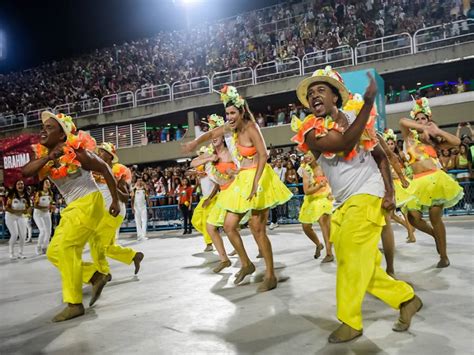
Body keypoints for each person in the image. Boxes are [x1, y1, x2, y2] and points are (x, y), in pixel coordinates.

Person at [292, 66, 421, 343]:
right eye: (311, 93)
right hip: (342, 202)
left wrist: (390, 191)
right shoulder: (309, 131)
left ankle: (350, 322)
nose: (314, 96)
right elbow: (344, 141)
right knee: (358, 262)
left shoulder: (355, 117)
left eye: (321, 90)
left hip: (367, 193)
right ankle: (406, 298)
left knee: (350, 259)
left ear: (336, 97)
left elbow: (380, 156)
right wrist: (369, 103)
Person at [182, 85, 293, 292]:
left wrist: (255, 183)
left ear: (242, 112)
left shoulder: (251, 127)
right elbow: (212, 133)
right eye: (227, 113)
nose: (230, 117)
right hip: (243, 177)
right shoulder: (231, 128)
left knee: (258, 229)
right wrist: (194, 144)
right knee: (229, 225)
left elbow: (263, 155)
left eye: (233, 113)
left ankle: (270, 275)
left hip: (259, 178)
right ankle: (246, 264)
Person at [22, 111, 120, 322]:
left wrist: (115, 200)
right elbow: (25, 173)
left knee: (67, 248)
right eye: (43, 127)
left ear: (61, 135)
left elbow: (105, 169)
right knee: (54, 252)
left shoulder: (77, 152)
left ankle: (74, 304)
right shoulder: (45, 157)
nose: (43, 130)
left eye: (50, 127)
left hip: (88, 202)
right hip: (73, 207)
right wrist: (48, 157)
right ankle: (95, 276)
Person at [399, 97, 464, 268]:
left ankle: (443, 256)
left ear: (430, 121)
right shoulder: (409, 139)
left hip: (435, 180)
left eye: (424, 119)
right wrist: (422, 127)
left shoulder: (434, 143)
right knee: (413, 218)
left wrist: (438, 132)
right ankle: (436, 236)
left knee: (435, 217)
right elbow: (402, 121)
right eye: (418, 119)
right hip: (417, 183)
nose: (421, 122)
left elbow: (456, 142)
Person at [190, 114, 237, 272]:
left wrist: (233, 172)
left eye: (217, 134)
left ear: (223, 137)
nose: (214, 137)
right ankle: (224, 259)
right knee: (212, 227)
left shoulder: (231, 151)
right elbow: (193, 163)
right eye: (212, 136)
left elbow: (240, 168)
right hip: (223, 194)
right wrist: (208, 158)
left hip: (235, 191)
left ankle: (248, 260)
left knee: (246, 225)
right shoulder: (211, 153)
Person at [94, 143, 144, 277]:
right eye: (98, 152)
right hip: (105, 212)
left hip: (112, 212)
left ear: (110, 156)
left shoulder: (116, 173)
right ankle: (133, 256)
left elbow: (126, 197)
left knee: (97, 242)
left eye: (102, 152)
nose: (98, 154)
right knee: (108, 246)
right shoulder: (96, 171)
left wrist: (114, 186)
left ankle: (103, 273)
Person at [381, 129, 417, 244]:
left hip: (399, 183)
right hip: (391, 184)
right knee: (392, 214)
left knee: (403, 210)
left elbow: (408, 166)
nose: (390, 146)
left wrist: (407, 174)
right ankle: (410, 229)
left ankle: (411, 233)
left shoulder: (400, 154)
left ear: (395, 144)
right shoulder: (383, 155)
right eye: (388, 144)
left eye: (392, 144)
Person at [297, 152, 334, 262]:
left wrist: (332, 192)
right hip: (311, 200)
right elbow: (307, 191)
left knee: (324, 222)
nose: (307, 157)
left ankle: (329, 253)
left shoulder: (324, 165)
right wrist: (319, 185)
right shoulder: (305, 170)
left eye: (310, 154)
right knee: (305, 226)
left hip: (324, 198)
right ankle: (318, 244)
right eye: (305, 155)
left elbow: (332, 180)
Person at [5, 180, 30, 259]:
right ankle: (11, 253)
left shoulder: (26, 196)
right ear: (15, 186)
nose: (20, 185)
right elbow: (7, 208)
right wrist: (18, 211)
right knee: (15, 234)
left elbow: (28, 208)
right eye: (18, 184)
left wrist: (28, 212)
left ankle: (20, 253)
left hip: (21, 216)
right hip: (10, 216)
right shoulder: (11, 195)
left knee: (23, 235)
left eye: (22, 184)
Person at [33, 179, 54, 255]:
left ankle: (44, 247)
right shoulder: (39, 193)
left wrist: (52, 207)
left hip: (46, 213)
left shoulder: (50, 193)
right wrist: (45, 208)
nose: (48, 183)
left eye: (49, 182)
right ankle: (38, 247)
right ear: (43, 184)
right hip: (38, 213)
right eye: (46, 182)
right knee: (42, 231)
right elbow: (35, 205)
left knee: (49, 231)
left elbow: (50, 203)